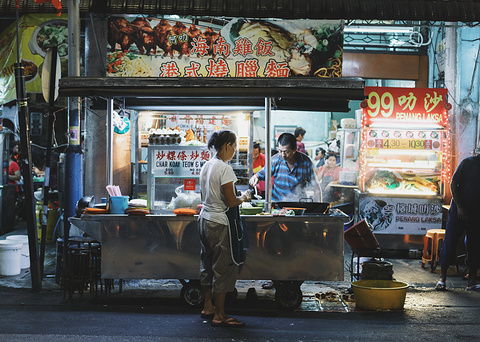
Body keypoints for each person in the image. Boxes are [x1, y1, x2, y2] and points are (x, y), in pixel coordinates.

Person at [198, 129, 251, 327]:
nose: (235, 151)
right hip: (219, 222)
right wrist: (244, 198)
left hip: (204, 220)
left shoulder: (206, 165)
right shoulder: (225, 168)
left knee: (207, 264)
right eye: (234, 147)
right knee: (223, 268)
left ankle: (207, 306)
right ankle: (219, 315)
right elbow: (230, 200)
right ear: (227, 145)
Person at [435, 152, 480, 291]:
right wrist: (460, 207)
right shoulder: (469, 163)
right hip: (459, 210)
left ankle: (471, 281)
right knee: (450, 241)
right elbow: (454, 183)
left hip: (476, 212)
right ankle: (442, 278)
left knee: (475, 246)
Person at [249, 132, 320, 202]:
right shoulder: (275, 160)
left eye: (286, 152)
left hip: (298, 205)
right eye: (280, 151)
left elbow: (315, 187)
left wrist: (320, 206)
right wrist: (255, 177)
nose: (283, 155)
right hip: (278, 205)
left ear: (295, 149)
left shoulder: (305, 162)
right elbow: (262, 173)